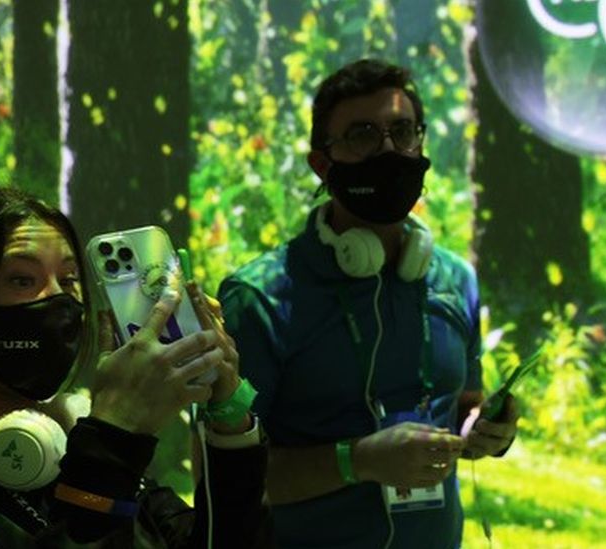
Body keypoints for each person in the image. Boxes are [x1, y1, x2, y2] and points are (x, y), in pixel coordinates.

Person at [0, 187, 271, 548]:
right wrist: (114, 436)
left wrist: (230, 418)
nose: (60, 302)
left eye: (69, 280)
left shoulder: (73, 449)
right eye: (22, 280)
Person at [217, 59, 520, 549]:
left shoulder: (455, 280)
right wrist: (356, 461)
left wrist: (484, 429)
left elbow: (464, 402)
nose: (388, 150)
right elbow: (226, 478)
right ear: (322, 164)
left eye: (402, 132)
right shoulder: (260, 299)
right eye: (362, 135)